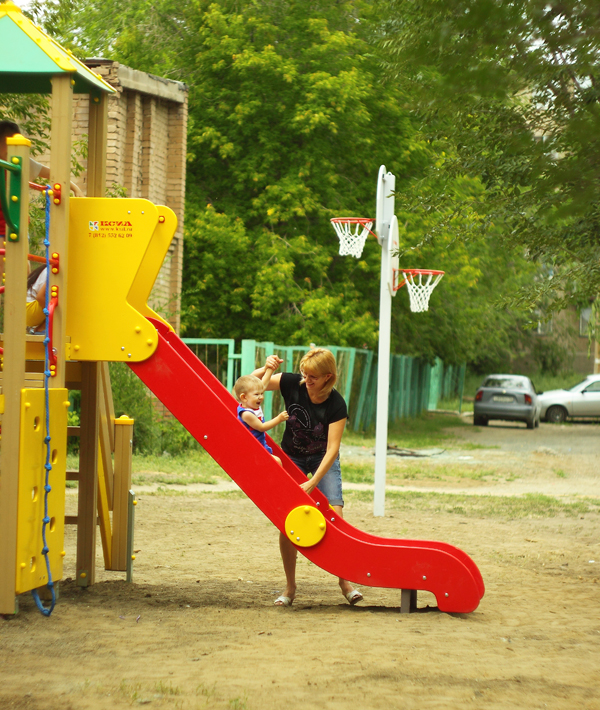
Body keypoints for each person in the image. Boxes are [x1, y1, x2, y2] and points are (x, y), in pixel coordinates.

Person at [252, 347, 363, 607]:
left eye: (313, 376)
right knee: (287, 520)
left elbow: (333, 448)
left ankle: (344, 581)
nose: (307, 380)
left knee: (336, 516)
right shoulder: (293, 382)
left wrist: (314, 482)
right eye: (305, 373)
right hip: (293, 456)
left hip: (322, 457)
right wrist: (266, 367)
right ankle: (290, 587)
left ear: (328, 377)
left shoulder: (336, 404)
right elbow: (249, 386)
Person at [0, 120, 83, 242]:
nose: (10, 149)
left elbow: (53, 174)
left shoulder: (22, 162)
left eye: (13, 145)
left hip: (15, 224)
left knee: (19, 256)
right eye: (6, 145)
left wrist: (75, 188)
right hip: (5, 224)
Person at [234, 364, 289, 465]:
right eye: (257, 394)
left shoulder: (250, 403)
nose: (261, 397)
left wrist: (270, 370)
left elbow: (262, 385)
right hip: (251, 449)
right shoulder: (246, 414)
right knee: (277, 462)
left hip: (260, 445)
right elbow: (262, 427)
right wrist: (279, 419)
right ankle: (276, 481)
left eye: (261, 394)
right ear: (244, 397)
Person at [26, 264, 47, 332]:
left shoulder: (46, 269)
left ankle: (38, 328)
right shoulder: (53, 271)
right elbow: (40, 297)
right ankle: (41, 329)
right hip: (30, 309)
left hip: (25, 310)